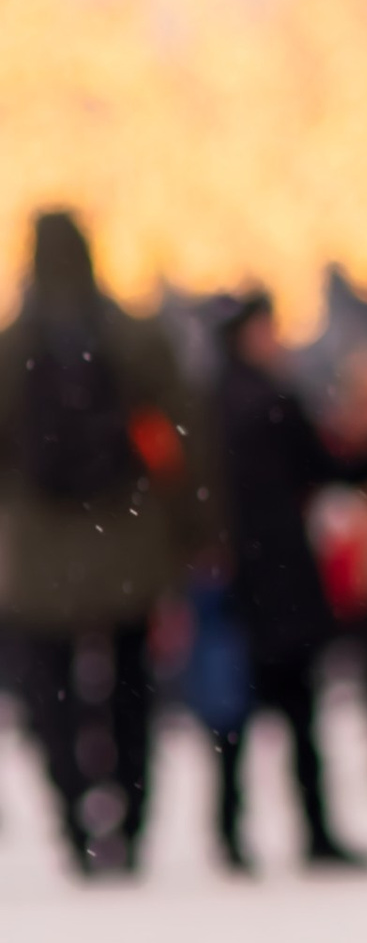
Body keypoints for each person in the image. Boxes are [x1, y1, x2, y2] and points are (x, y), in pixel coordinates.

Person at [0, 208, 198, 876]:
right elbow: (183, 438)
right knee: (132, 688)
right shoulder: (135, 336)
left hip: (37, 549)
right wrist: (192, 531)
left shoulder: (9, 345)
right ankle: (131, 820)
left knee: (49, 693)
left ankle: (71, 811)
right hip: (128, 537)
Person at [205, 294, 367, 873]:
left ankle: (228, 832)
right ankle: (316, 832)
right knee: (299, 712)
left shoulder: (208, 400)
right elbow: (327, 470)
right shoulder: (272, 399)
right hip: (279, 574)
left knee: (232, 714)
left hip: (231, 577)